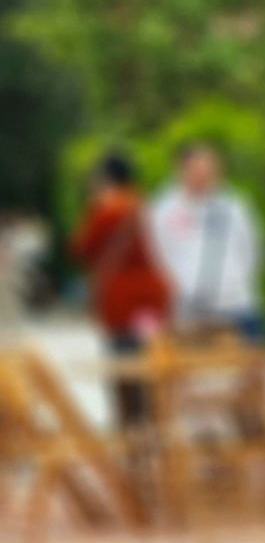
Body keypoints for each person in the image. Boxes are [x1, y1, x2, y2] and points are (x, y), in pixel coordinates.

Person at [68, 154, 172, 426]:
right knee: (151, 361)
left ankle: (131, 426)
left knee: (123, 366)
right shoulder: (145, 204)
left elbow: (80, 248)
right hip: (153, 299)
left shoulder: (108, 210)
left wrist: (93, 206)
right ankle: (157, 420)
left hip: (122, 303)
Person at [150, 141, 265, 337]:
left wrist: (233, 284)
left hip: (237, 307)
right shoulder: (163, 210)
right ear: (181, 170)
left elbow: (253, 251)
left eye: (210, 169)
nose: (204, 175)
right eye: (197, 169)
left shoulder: (235, 207)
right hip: (185, 312)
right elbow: (155, 257)